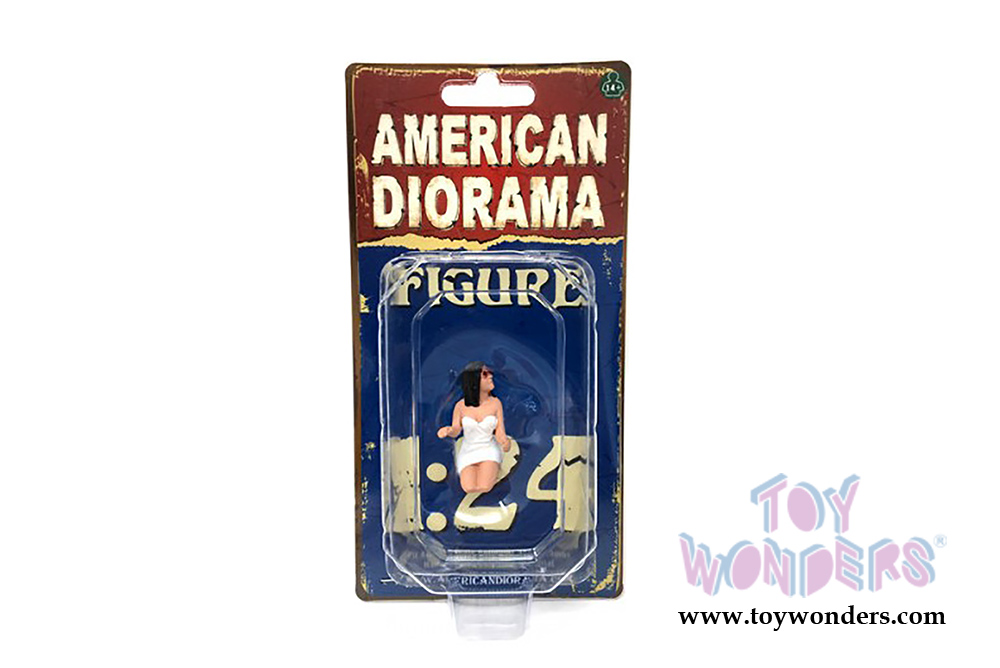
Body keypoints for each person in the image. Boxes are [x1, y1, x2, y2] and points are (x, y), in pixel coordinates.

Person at [437, 361, 510, 493]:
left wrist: (504, 441)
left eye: (490, 373)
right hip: (468, 450)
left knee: (485, 486)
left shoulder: (495, 403)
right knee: (469, 487)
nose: (491, 376)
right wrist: (448, 431)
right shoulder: (460, 406)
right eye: (485, 374)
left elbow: (499, 430)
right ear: (474, 380)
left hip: (488, 449)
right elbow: (456, 430)